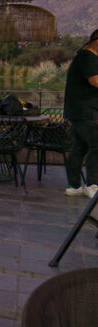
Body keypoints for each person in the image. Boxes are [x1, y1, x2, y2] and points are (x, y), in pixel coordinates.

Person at [63, 29, 98, 199]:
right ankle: (93, 185)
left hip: (78, 111)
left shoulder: (83, 57)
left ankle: (74, 186)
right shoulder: (88, 57)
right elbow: (95, 81)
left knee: (79, 148)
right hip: (86, 111)